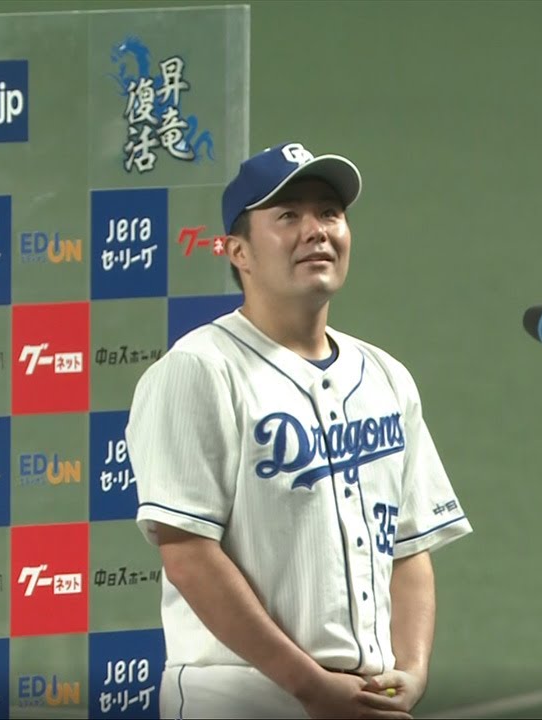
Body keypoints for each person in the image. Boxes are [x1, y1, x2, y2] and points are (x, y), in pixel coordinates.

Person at [125, 142, 472, 719]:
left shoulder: (386, 376)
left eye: (329, 213)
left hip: (367, 697)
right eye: (288, 215)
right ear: (238, 251)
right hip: (239, 696)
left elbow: (409, 548)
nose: (317, 231)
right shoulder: (199, 369)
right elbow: (187, 554)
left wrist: (410, 671)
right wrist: (311, 687)